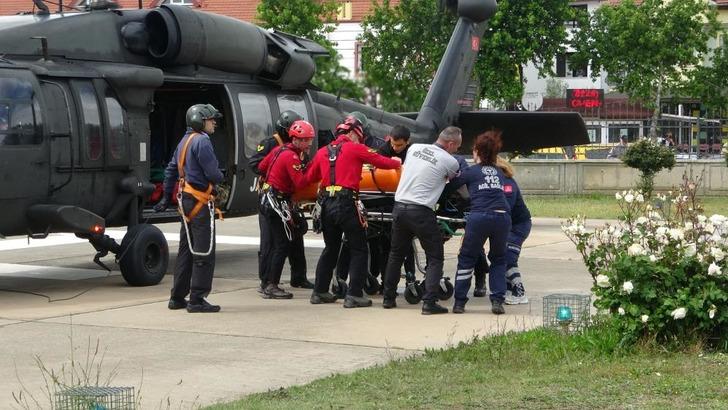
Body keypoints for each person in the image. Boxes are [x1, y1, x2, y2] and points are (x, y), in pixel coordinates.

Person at [305, 117, 401, 307]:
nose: (361, 139)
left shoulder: (323, 152)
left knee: (330, 248)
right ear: (352, 134)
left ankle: (319, 291)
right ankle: (354, 294)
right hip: (346, 203)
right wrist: (396, 162)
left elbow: (310, 177)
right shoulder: (355, 148)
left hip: (326, 204)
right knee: (359, 248)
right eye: (359, 136)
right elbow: (381, 162)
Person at [381, 126, 462, 315]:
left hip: (399, 208)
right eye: (456, 147)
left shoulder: (414, 149)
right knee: (435, 257)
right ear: (450, 144)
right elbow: (448, 183)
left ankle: (388, 298)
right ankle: (429, 302)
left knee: (396, 254)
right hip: (421, 211)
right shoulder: (451, 161)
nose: (457, 150)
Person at [155, 104, 224, 313]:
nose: (214, 123)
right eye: (211, 119)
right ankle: (197, 298)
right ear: (200, 121)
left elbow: (170, 170)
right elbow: (213, 173)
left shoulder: (184, 141)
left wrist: (166, 198)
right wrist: (221, 178)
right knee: (204, 251)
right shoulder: (202, 141)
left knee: (186, 249)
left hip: (185, 200)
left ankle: (177, 297)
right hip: (200, 202)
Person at [249, 110, 314, 291]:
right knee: (273, 243)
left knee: (296, 235)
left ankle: (298, 277)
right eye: (306, 139)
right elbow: (257, 165)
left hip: (285, 200)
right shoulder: (275, 146)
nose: (309, 143)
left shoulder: (291, 150)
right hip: (275, 200)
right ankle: (267, 282)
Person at [449, 130, 511, 315]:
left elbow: (450, 185)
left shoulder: (471, 171)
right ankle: (497, 301)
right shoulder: (500, 172)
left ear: (476, 151)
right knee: (499, 259)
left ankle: (459, 302)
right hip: (502, 217)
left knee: (467, 257)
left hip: (480, 217)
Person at [472, 158, 532, 304]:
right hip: (506, 225)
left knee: (507, 258)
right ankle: (508, 289)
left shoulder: (507, 183)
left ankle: (519, 292)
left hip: (518, 226)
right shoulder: (497, 182)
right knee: (500, 256)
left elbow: (506, 207)